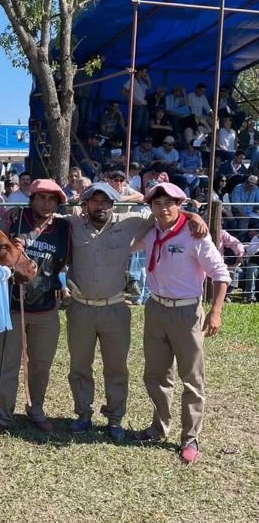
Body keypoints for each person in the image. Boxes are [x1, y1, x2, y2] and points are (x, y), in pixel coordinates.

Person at [62, 180, 207, 441]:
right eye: (94, 200)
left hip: (115, 308)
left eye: (105, 200)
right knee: (79, 366)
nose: (100, 205)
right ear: (85, 204)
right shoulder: (72, 224)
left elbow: (163, 213)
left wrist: (191, 215)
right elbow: (46, 217)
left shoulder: (130, 222)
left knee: (116, 368)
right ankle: (83, 415)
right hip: (80, 308)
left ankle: (115, 419)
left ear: (113, 203)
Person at [131, 182, 231, 465]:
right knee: (155, 374)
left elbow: (221, 275)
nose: (163, 209)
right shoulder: (151, 233)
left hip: (186, 312)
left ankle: (190, 438)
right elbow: (126, 243)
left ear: (180, 205)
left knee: (192, 377)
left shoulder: (194, 234)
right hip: (155, 308)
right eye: (157, 203)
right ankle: (158, 427)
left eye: (169, 204)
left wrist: (215, 312)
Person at [0, 179, 71, 436]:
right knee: (8, 363)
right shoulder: (14, 219)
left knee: (41, 365)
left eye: (52, 199)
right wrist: (10, 247)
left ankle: (36, 410)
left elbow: (66, 263)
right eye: (41, 198)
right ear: (31, 199)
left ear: (58, 203)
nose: (46, 203)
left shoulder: (64, 228)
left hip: (46, 308)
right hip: (13, 306)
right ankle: (3, 416)